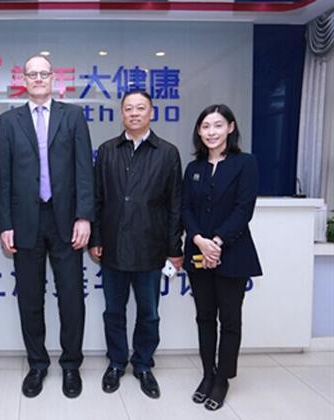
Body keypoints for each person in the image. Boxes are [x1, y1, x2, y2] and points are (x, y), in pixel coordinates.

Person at [0, 55, 95, 399]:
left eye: (43, 73)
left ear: (54, 78)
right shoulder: (9, 121)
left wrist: (85, 216)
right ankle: (37, 364)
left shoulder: (73, 116)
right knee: (30, 298)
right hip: (25, 222)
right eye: (32, 74)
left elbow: (85, 170)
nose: (38, 79)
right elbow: (4, 177)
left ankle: (71, 365)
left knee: (71, 297)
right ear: (23, 80)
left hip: (66, 220)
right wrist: (5, 224)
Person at [89, 91, 183, 399]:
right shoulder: (107, 150)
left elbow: (175, 205)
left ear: (151, 113)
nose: (134, 113)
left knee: (149, 313)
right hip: (113, 247)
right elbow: (97, 198)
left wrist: (174, 249)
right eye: (128, 108)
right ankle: (117, 362)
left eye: (140, 108)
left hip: (150, 248)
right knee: (114, 311)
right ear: (121, 114)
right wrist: (96, 238)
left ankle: (143, 364)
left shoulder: (167, 153)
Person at [182, 104, 262, 411]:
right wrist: (199, 240)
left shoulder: (245, 163)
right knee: (204, 317)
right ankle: (207, 374)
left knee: (229, 319)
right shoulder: (194, 168)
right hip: (198, 252)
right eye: (205, 126)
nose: (211, 132)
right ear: (199, 131)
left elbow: (244, 209)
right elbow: (185, 208)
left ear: (230, 127)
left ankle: (223, 379)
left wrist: (216, 242)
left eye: (217, 125)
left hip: (233, 252)